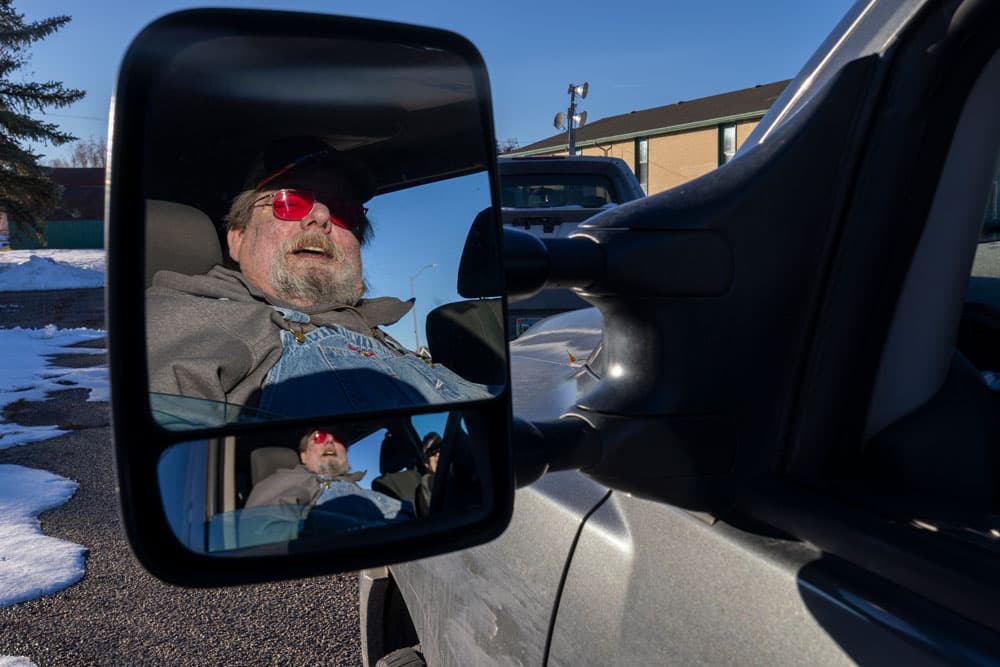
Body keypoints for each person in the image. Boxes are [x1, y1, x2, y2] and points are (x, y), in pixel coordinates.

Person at [146, 135, 491, 420]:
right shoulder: (191, 318)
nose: (322, 216)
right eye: (290, 201)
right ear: (237, 238)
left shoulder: (386, 340)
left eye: (343, 210)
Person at [244, 429, 414, 532]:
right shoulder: (285, 481)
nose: (330, 440)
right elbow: (258, 530)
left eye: (338, 438)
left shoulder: (363, 488)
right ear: (303, 455)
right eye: (319, 436)